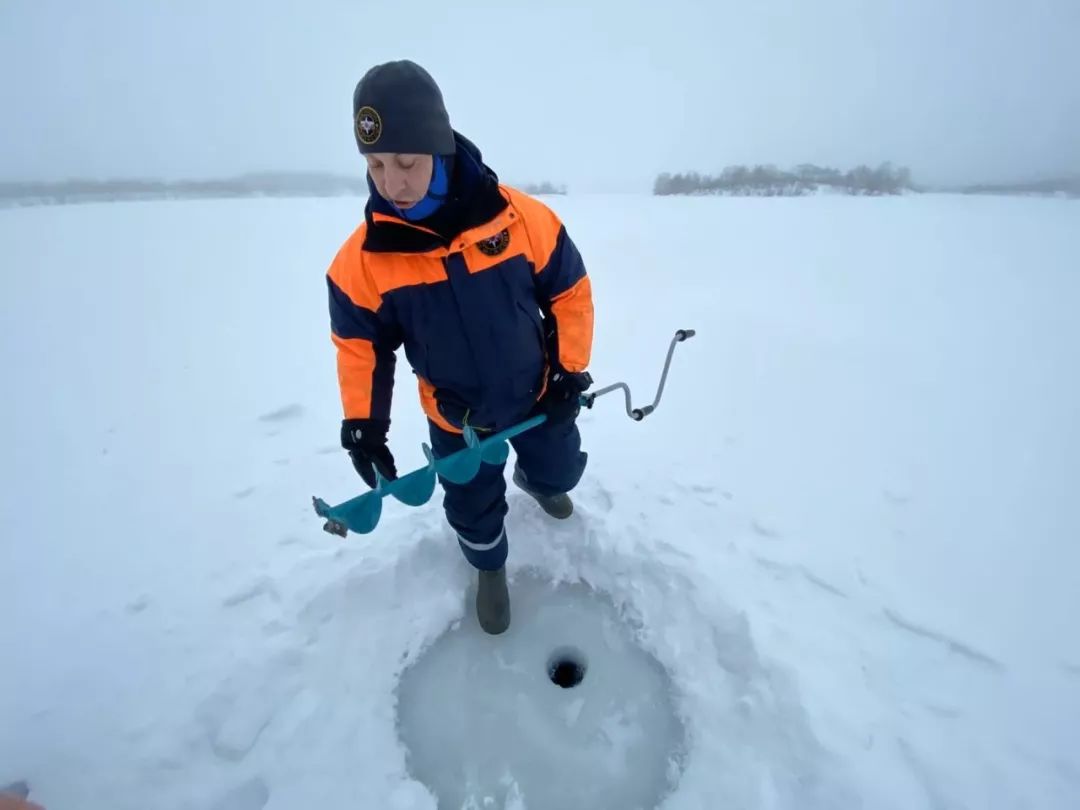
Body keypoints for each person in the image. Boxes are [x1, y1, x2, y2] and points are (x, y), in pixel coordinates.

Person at [325, 60, 595, 635]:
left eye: (405, 161)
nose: (391, 182)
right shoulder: (363, 262)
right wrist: (364, 425)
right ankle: (489, 566)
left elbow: (570, 291)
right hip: (455, 416)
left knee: (561, 470)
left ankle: (540, 484)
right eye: (374, 165)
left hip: (538, 395)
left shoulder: (518, 217)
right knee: (470, 504)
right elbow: (359, 348)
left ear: (438, 147)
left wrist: (570, 372)